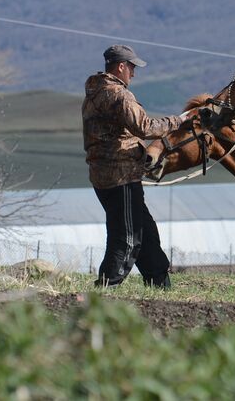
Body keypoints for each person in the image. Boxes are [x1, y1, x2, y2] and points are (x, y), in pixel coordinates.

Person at [83, 44, 185, 288]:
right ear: (120, 67)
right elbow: (145, 127)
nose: (133, 73)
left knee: (145, 232)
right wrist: (179, 121)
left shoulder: (95, 92)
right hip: (121, 177)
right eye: (131, 67)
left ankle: (159, 281)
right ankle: (107, 287)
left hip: (105, 175)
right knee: (127, 237)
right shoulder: (118, 94)